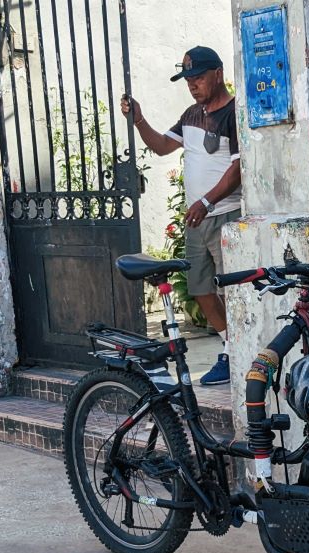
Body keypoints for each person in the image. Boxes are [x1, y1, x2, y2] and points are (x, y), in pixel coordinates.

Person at [121, 46, 241, 385]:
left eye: (198, 77)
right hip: (197, 219)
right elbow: (161, 146)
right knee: (200, 288)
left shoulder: (234, 113)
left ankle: (238, 352)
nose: (193, 85)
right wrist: (139, 119)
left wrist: (206, 200)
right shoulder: (191, 114)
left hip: (225, 214)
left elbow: (238, 169)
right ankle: (230, 345)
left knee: (231, 289)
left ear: (218, 73)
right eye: (188, 79)